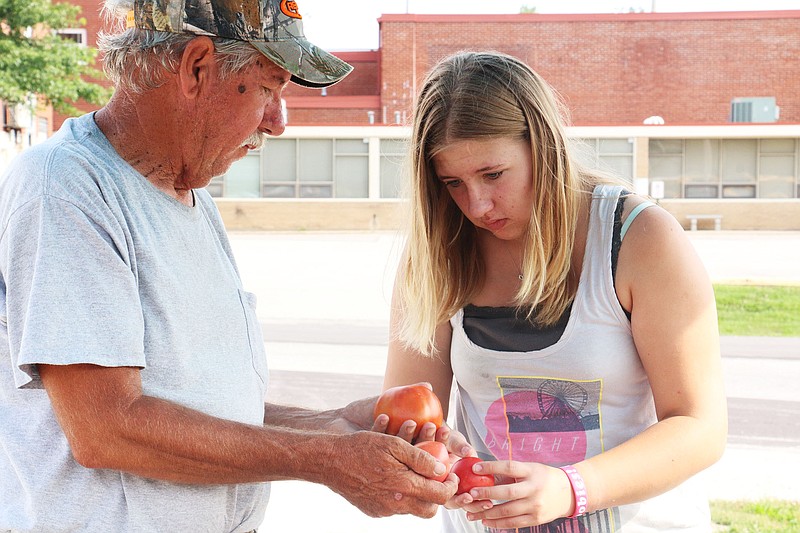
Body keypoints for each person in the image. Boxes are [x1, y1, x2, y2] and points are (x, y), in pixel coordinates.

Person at [0, 1, 461, 531]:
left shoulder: (190, 196)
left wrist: (333, 426)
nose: (279, 121)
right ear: (197, 67)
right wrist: (327, 461)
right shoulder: (65, 188)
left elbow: (195, 409)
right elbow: (108, 427)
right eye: (269, 88)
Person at [382, 51, 728, 532]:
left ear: (542, 145)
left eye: (493, 174)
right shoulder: (435, 254)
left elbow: (700, 427)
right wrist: (428, 446)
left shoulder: (638, 238)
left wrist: (570, 488)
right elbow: (414, 411)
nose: (477, 205)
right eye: (452, 183)